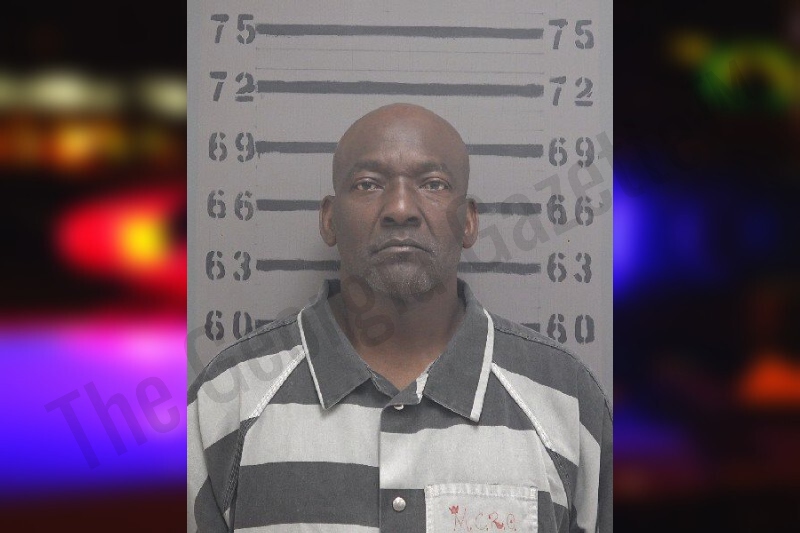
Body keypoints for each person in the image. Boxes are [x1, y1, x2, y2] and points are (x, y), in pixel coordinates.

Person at [188, 103, 612, 532]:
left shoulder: (567, 402)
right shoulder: (227, 400)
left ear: (469, 222)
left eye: (433, 184)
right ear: (329, 219)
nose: (401, 208)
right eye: (368, 184)